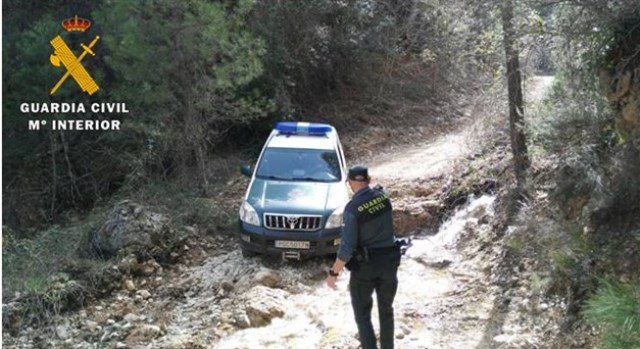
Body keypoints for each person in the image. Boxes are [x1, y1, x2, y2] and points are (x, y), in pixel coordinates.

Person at [326, 165, 401, 349]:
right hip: (389, 262)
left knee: (362, 315)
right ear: (368, 180)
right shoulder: (384, 199)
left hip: (365, 268)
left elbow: (347, 248)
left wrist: (333, 273)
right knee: (386, 311)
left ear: (351, 183)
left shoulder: (352, 209)